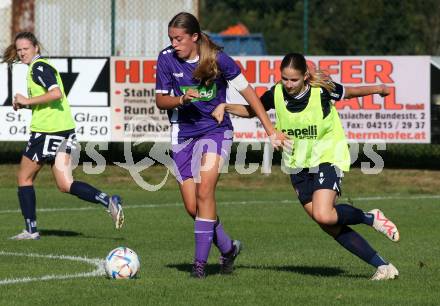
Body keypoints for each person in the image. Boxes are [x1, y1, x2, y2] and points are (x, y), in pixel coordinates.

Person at [212, 52, 400, 281]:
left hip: (326, 156)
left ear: (305, 77)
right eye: (285, 79)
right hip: (297, 164)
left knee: (324, 213)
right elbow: (253, 110)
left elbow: (350, 92)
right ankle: (383, 267)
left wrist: (378, 88)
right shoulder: (277, 93)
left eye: (294, 79)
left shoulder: (321, 91)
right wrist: (225, 105)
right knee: (328, 223)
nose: (288, 84)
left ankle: (370, 218)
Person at [155, 12, 286, 278]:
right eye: (171, 38)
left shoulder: (218, 59)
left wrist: (270, 130)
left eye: (179, 39)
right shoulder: (166, 58)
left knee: (205, 193)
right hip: (182, 134)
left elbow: (252, 96)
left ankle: (199, 266)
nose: (174, 44)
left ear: (194, 37)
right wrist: (182, 100)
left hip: (216, 131)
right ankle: (228, 248)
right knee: (193, 207)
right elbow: (160, 101)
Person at [2, 32, 124, 240]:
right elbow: (52, 98)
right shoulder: (43, 66)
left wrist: (27, 101)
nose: (22, 53)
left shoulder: (39, 67)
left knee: (24, 178)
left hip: (46, 133)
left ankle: (31, 231)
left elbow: (56, 93)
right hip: (64, 131)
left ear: (36, 48)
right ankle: (107, 200)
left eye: (26, 49)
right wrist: (24, 103)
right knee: (65, 184)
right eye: (19, 49)